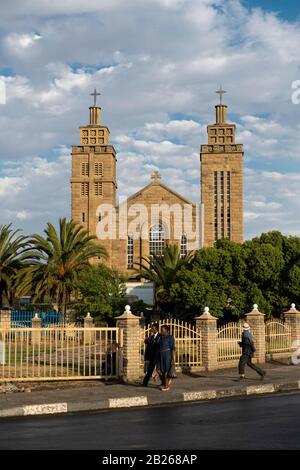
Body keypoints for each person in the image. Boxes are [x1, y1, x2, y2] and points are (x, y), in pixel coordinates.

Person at [156, 324, 176, 392]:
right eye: (161, 330)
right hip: (160, 355)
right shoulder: (160, 337)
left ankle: (166, 386)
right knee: (158, 370)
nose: (161, 331)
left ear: (166, 330)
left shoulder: (170, 337)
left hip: (167, 355)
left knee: (165, 372)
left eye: (162, 330)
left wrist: (173, 359)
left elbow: (173, 349)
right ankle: (165, 381)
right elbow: (157, 345)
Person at [142, 323, 161, 387]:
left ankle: (164, 382)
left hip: (158, 355)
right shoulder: (151, 336)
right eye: (151, 328)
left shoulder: (160, 336)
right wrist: (146, 340)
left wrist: (149, 340)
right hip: (151, 356)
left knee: (160, 370)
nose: (151, 330)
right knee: (150, 370)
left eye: (153, 328)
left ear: (157, 329)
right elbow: (147, 342)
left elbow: (156, 343)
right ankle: (145, 383)